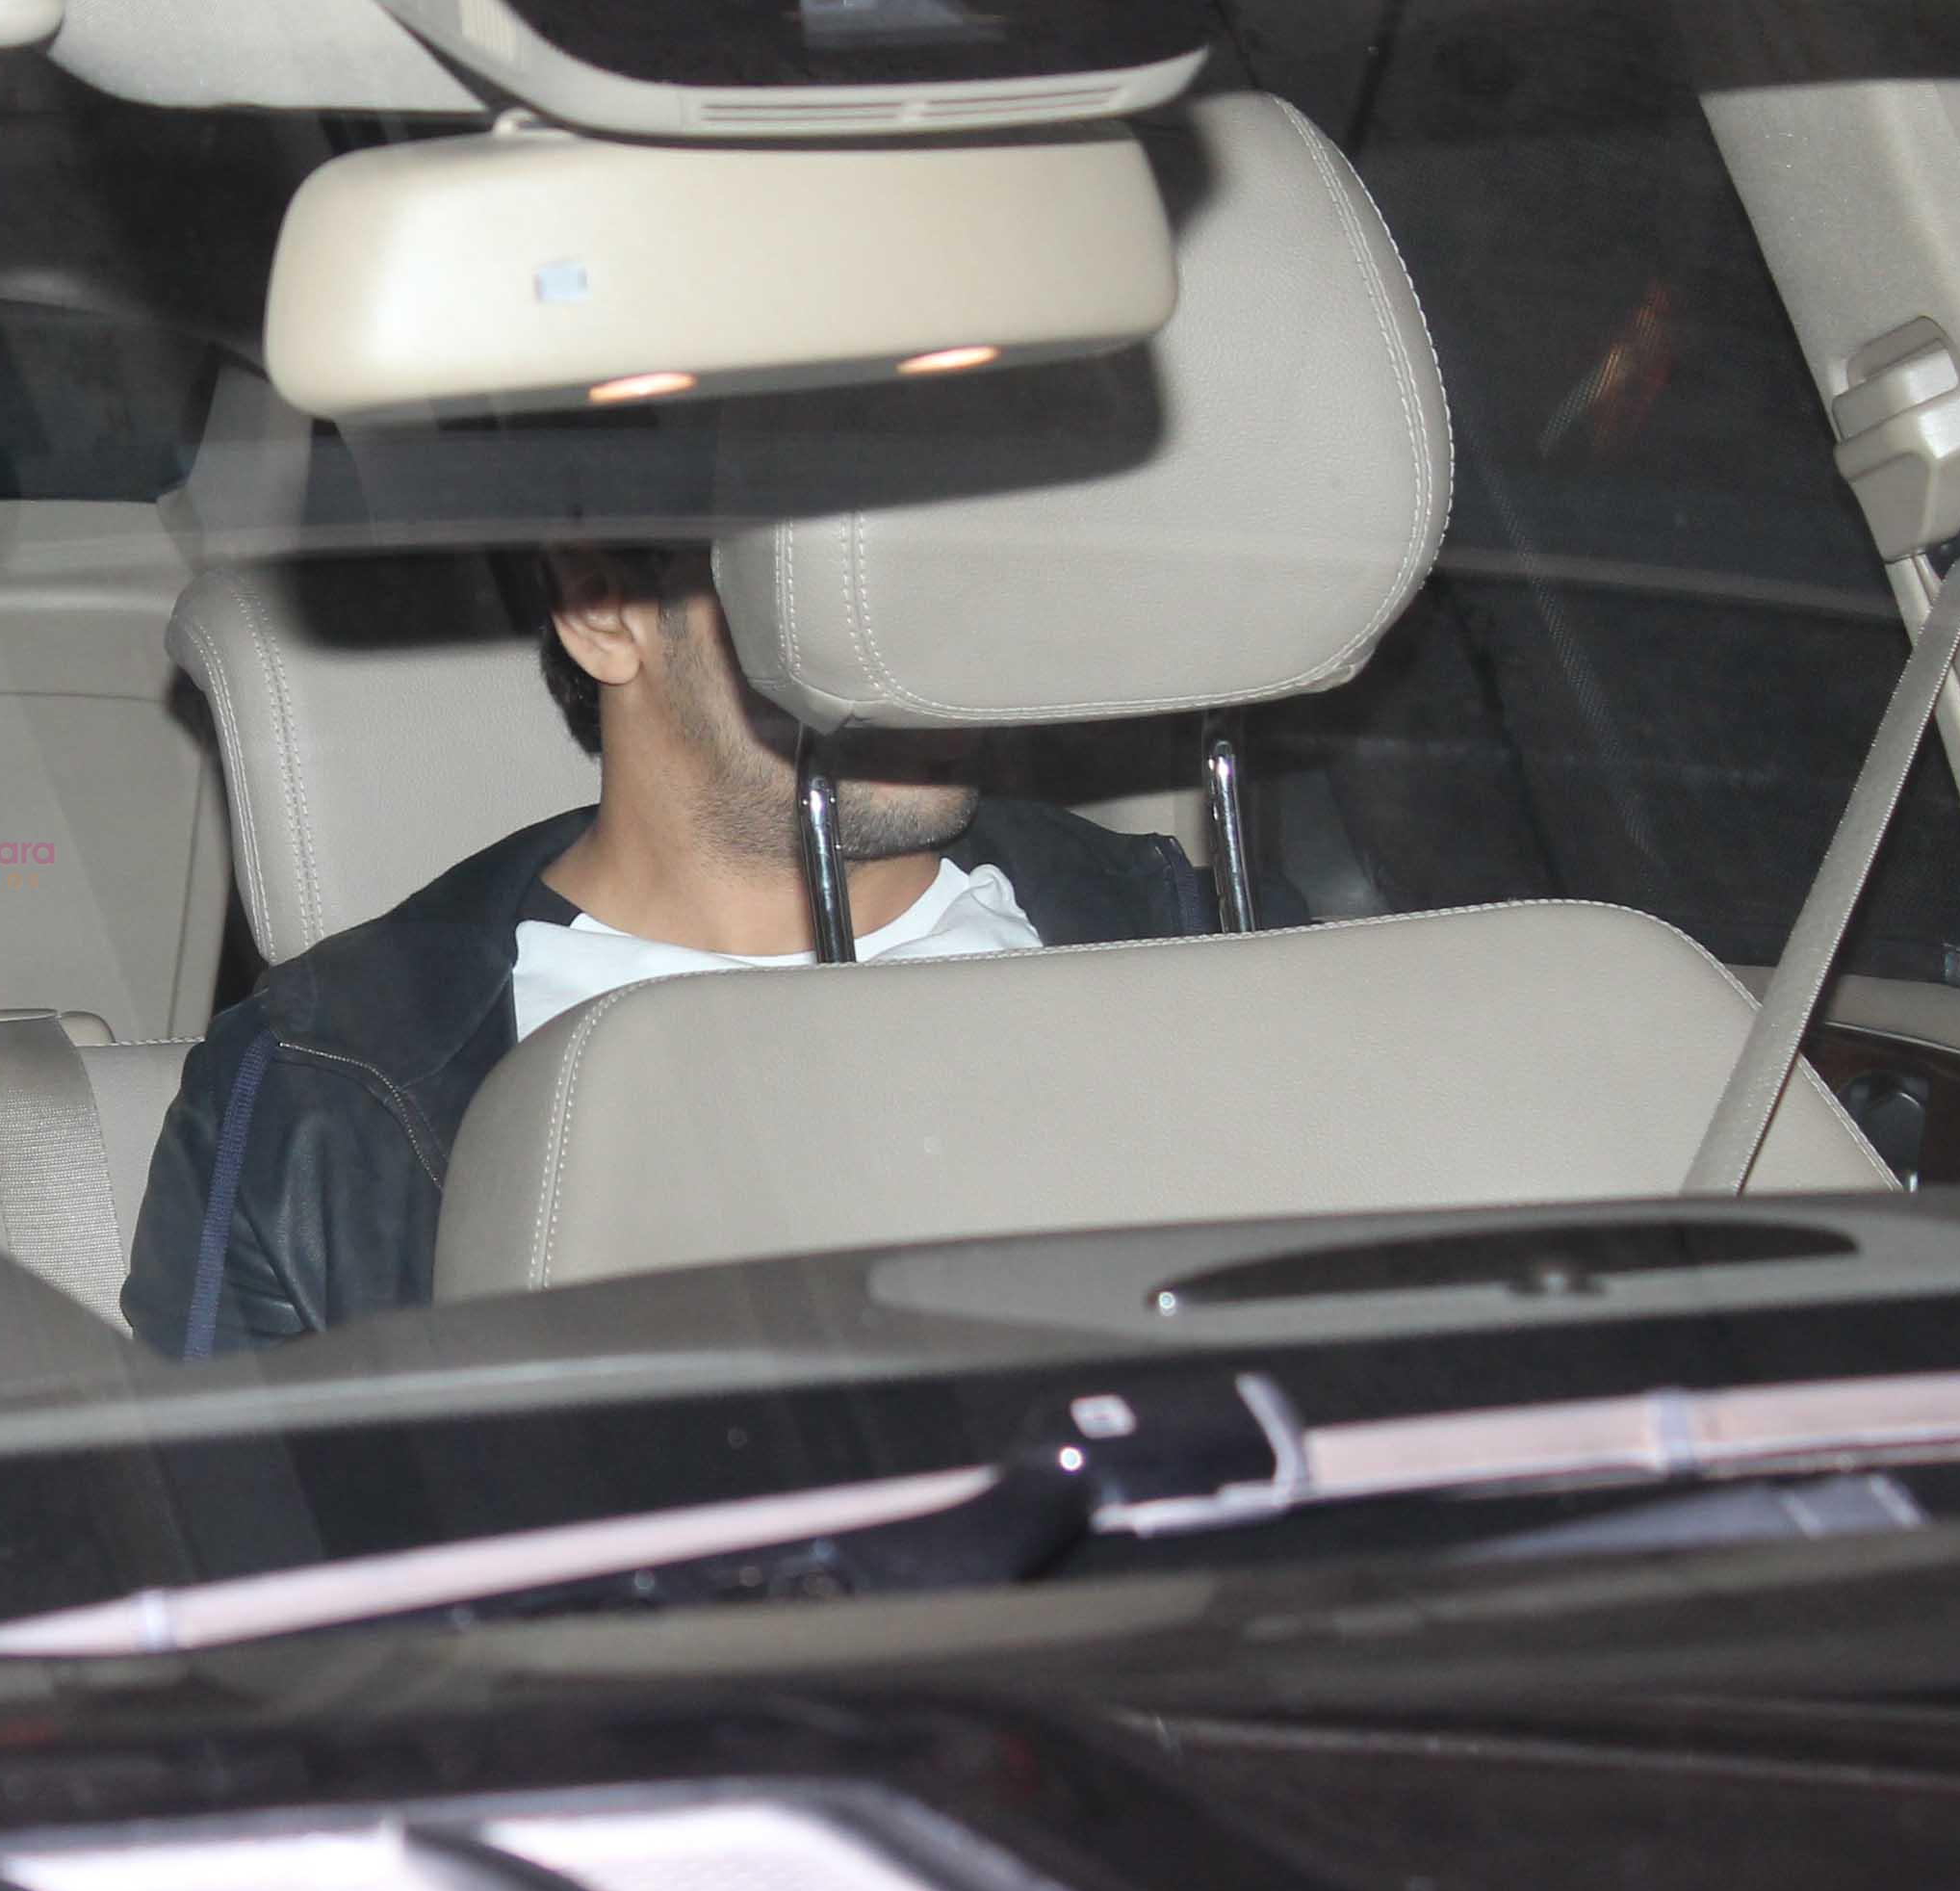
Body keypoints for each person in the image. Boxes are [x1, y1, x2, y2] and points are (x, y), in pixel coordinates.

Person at [123, 546, 1238, 1355]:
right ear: (604, 610)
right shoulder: (324, 1097)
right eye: (812, 582)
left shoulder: (1222, 954)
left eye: (927, 564)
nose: (907, 644)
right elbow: (259, 1592)